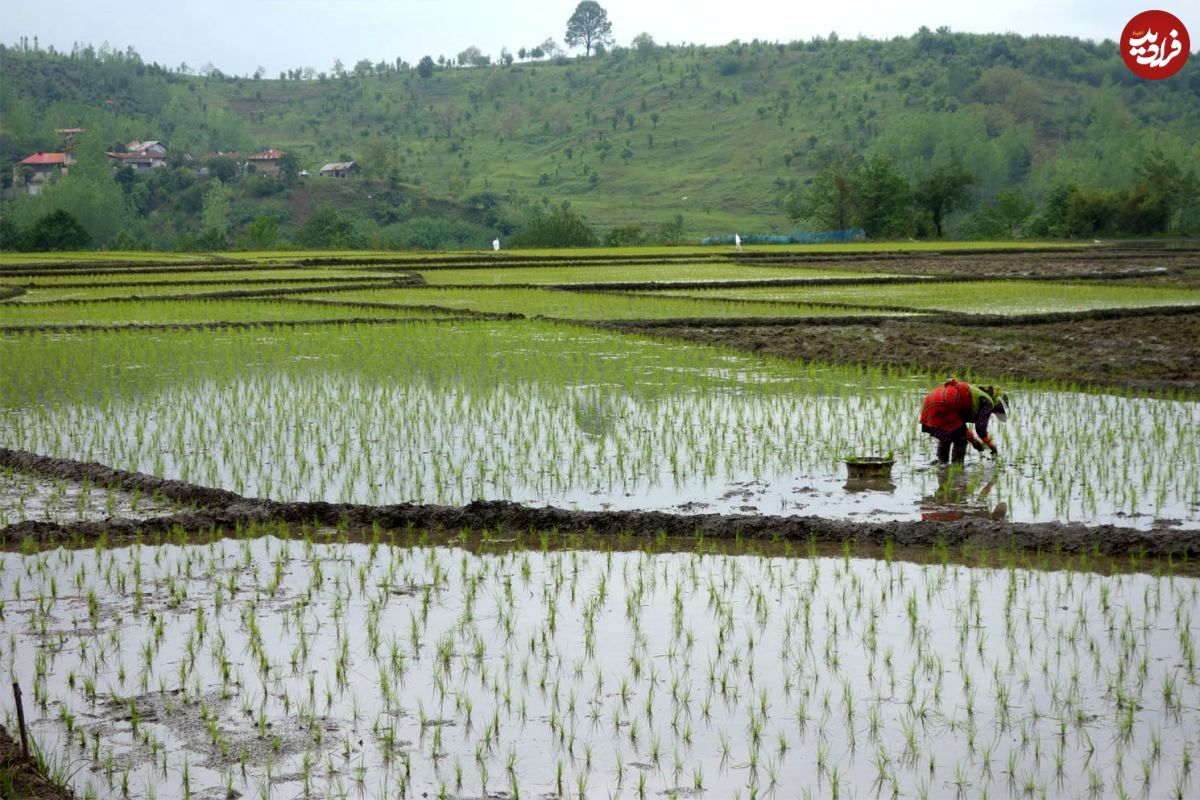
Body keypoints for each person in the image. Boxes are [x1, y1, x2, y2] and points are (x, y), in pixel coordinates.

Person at [919, 378, 1007, 464]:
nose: (993, 413)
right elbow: (980, 429)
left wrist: (974, 442)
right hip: (948, 401)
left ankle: (942, 465)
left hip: (930, 398)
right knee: (960, 440)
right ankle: (957, 467)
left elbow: (961, 426)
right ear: (997, 405)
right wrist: (992, 447)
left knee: (946, 434)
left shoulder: (975, 393)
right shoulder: (988, 402)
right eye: (996, 411)